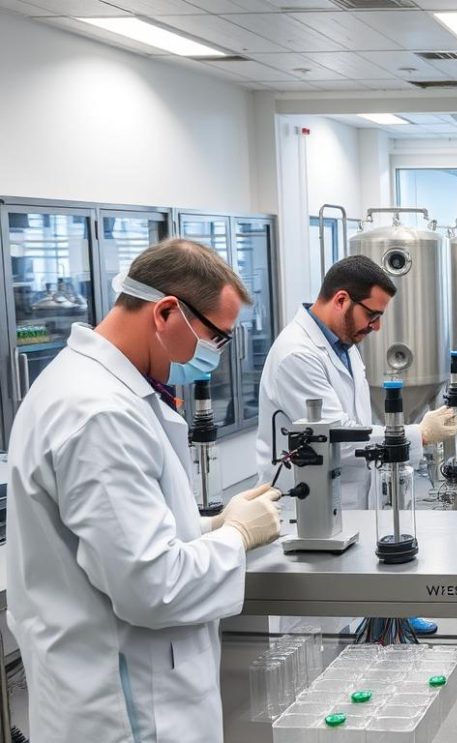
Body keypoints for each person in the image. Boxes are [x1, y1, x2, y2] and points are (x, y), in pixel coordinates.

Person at [6, 238, 283, 743]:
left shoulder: (100, 389)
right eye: (216, 338)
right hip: (126, 711)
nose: (215, 357)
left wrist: (209, 526)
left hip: (130, 686)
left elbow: (119, 537)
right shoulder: (99, 414)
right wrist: (236, 537)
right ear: (167, 313)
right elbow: (151, 587)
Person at [257, 255, 457, 507]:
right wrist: (421, 434)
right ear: (341, 300)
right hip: (308, 508)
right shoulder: (296, 355)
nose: (377, 327)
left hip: (349, 501)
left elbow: (358, 422)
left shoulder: (345, 343)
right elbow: (336, 439)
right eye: (372, 315)